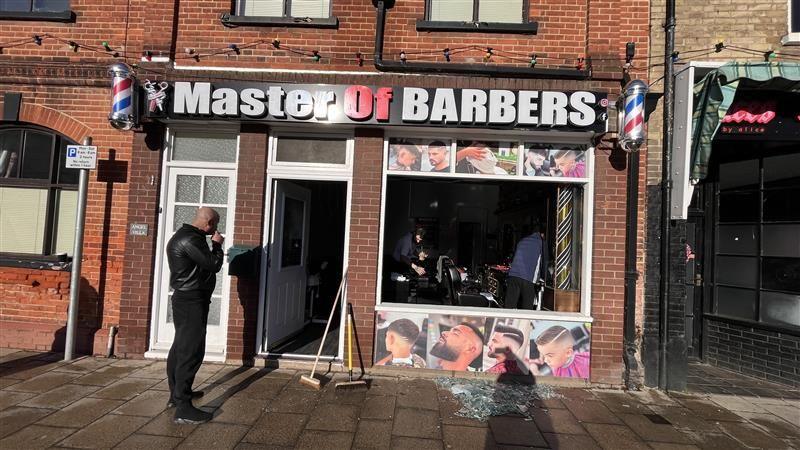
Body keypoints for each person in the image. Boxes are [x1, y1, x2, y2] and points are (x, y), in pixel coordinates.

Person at [166, 207, 224, 425]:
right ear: (208, 223)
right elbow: (213, 264)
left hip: (186, 298)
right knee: (191, 351)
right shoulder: (190, 239)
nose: (216, 228)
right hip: (191, 300)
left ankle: (178, 395)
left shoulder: (186, 236)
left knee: (180, 346)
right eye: (215, 224)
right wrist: (217, 245)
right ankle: (183, 407)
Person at [505, 223, 545, 310]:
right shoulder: (541, 243)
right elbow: (543, 262)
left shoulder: (522, 241)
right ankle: (525, 323)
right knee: (527, 307)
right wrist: (545, 277)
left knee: (509, 305)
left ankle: (506, 320)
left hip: (513, 275)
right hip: (527, 277)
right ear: (542, 234)